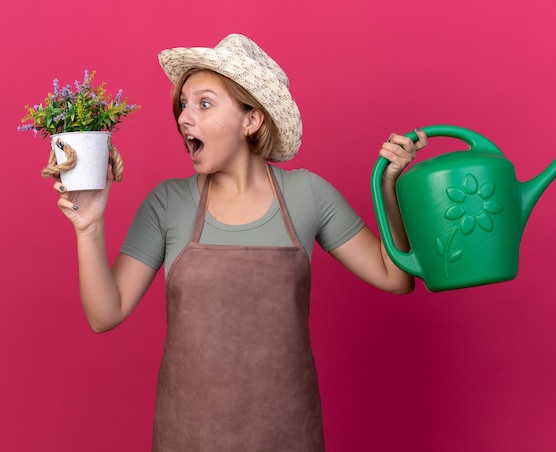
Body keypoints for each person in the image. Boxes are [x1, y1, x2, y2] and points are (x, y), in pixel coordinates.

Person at [54, 33, 427, 451]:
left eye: (204, 103)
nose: (183, 117)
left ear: (252, 120)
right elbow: (105, 315)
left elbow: (397, 276)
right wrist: (88, 226)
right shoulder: (167, 203)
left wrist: (391, 186)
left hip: (289, 436)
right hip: (187, 438)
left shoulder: (308, 195)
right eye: (183, 105)